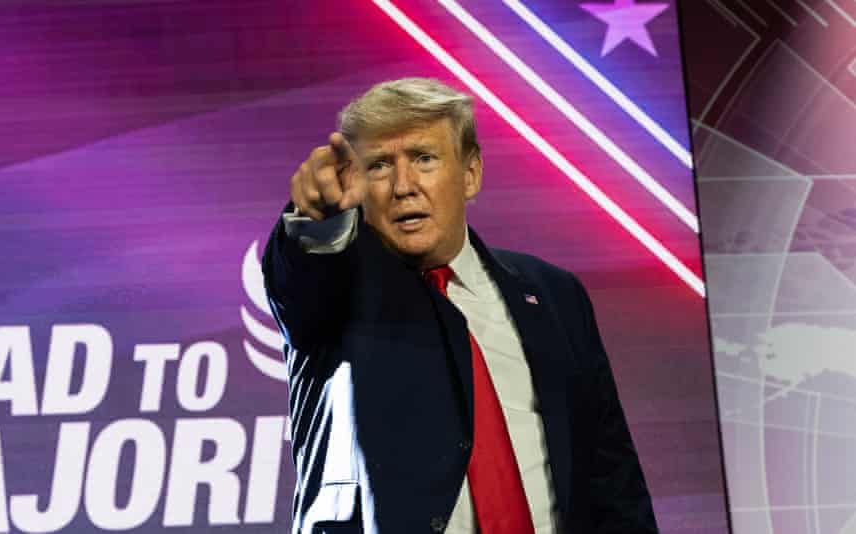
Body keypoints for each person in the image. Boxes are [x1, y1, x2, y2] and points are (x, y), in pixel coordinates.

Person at [262, 77, 658, 534]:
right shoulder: (339, 289)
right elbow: (301, 282)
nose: (403, 186)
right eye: (379, 166)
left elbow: (612, 477)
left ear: (470, 174)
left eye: (424, 159)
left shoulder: (553, 295)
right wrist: (314, 221)